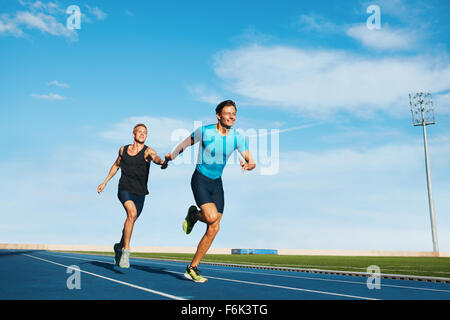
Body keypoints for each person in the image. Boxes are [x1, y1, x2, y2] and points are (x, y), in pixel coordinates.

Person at [165, 100, 256, 282]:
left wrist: (249, 165)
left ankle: (193, 267)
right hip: (200, 179)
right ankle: (194, 216)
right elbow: (185, 144)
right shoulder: (205, 131)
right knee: (212, 217)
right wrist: (171, 156)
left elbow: (251, 161)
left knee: (214, 227)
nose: (232, 117)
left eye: (234, 114)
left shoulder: (237, 138)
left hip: (216, 184)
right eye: (228, 113)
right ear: (218, 115)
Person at [97, 123, 167, 268]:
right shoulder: (123, 149)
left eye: (145, 132)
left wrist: (162, 162)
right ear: (133, 134)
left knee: (131, 219)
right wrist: (104, 182)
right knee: (132, 213)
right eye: (139, 132)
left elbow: (156, 158)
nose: (142, 134)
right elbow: (116, 165)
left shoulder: (148, 151)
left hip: (140, 193)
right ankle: (126, 252)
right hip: (124, 189)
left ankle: (119, 245)